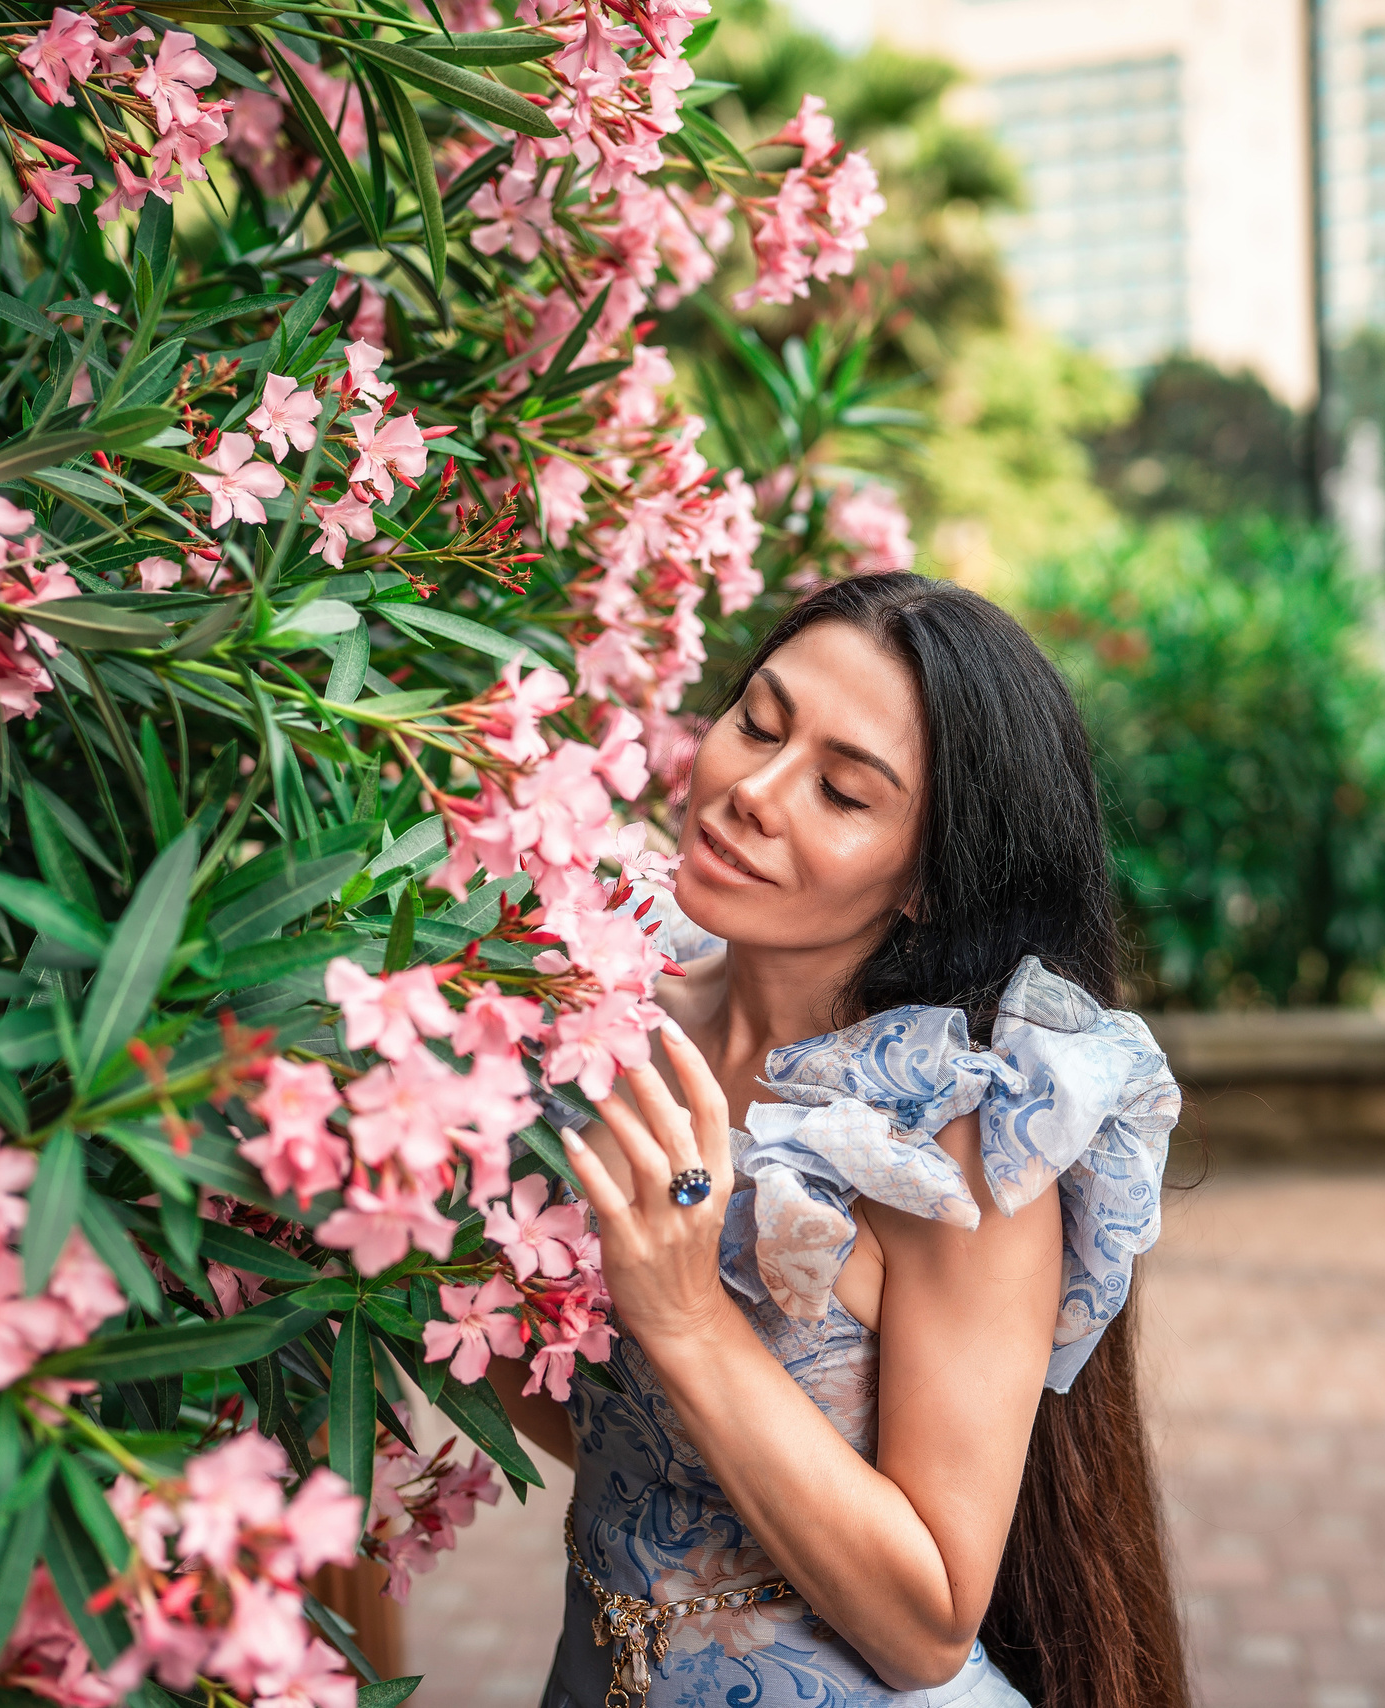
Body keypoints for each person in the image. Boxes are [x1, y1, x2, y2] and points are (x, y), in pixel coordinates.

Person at [493, 573, 1189, 1708]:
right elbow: (620, 1437)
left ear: (926, 879)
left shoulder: (956, 1147)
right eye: (756, 723)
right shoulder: (612, 1008)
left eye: (842, 791)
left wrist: (685, 1315)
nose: (753, 792)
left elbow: (928, 1621)